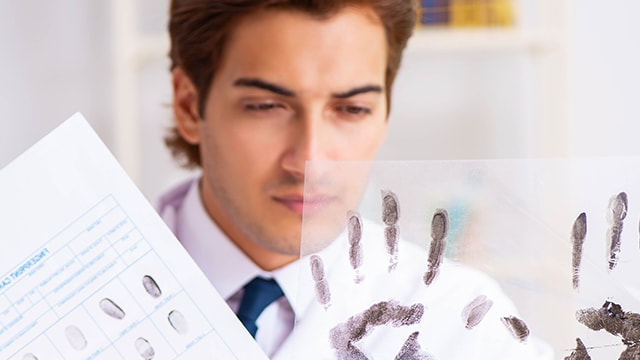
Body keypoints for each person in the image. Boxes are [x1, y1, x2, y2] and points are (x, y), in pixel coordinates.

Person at [157, 0, 552, 358]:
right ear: (189, 107)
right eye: (266, 106)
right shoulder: (97, 292)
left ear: (385, 111)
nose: (311, 160)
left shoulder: (466, 324)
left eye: (352, 109)